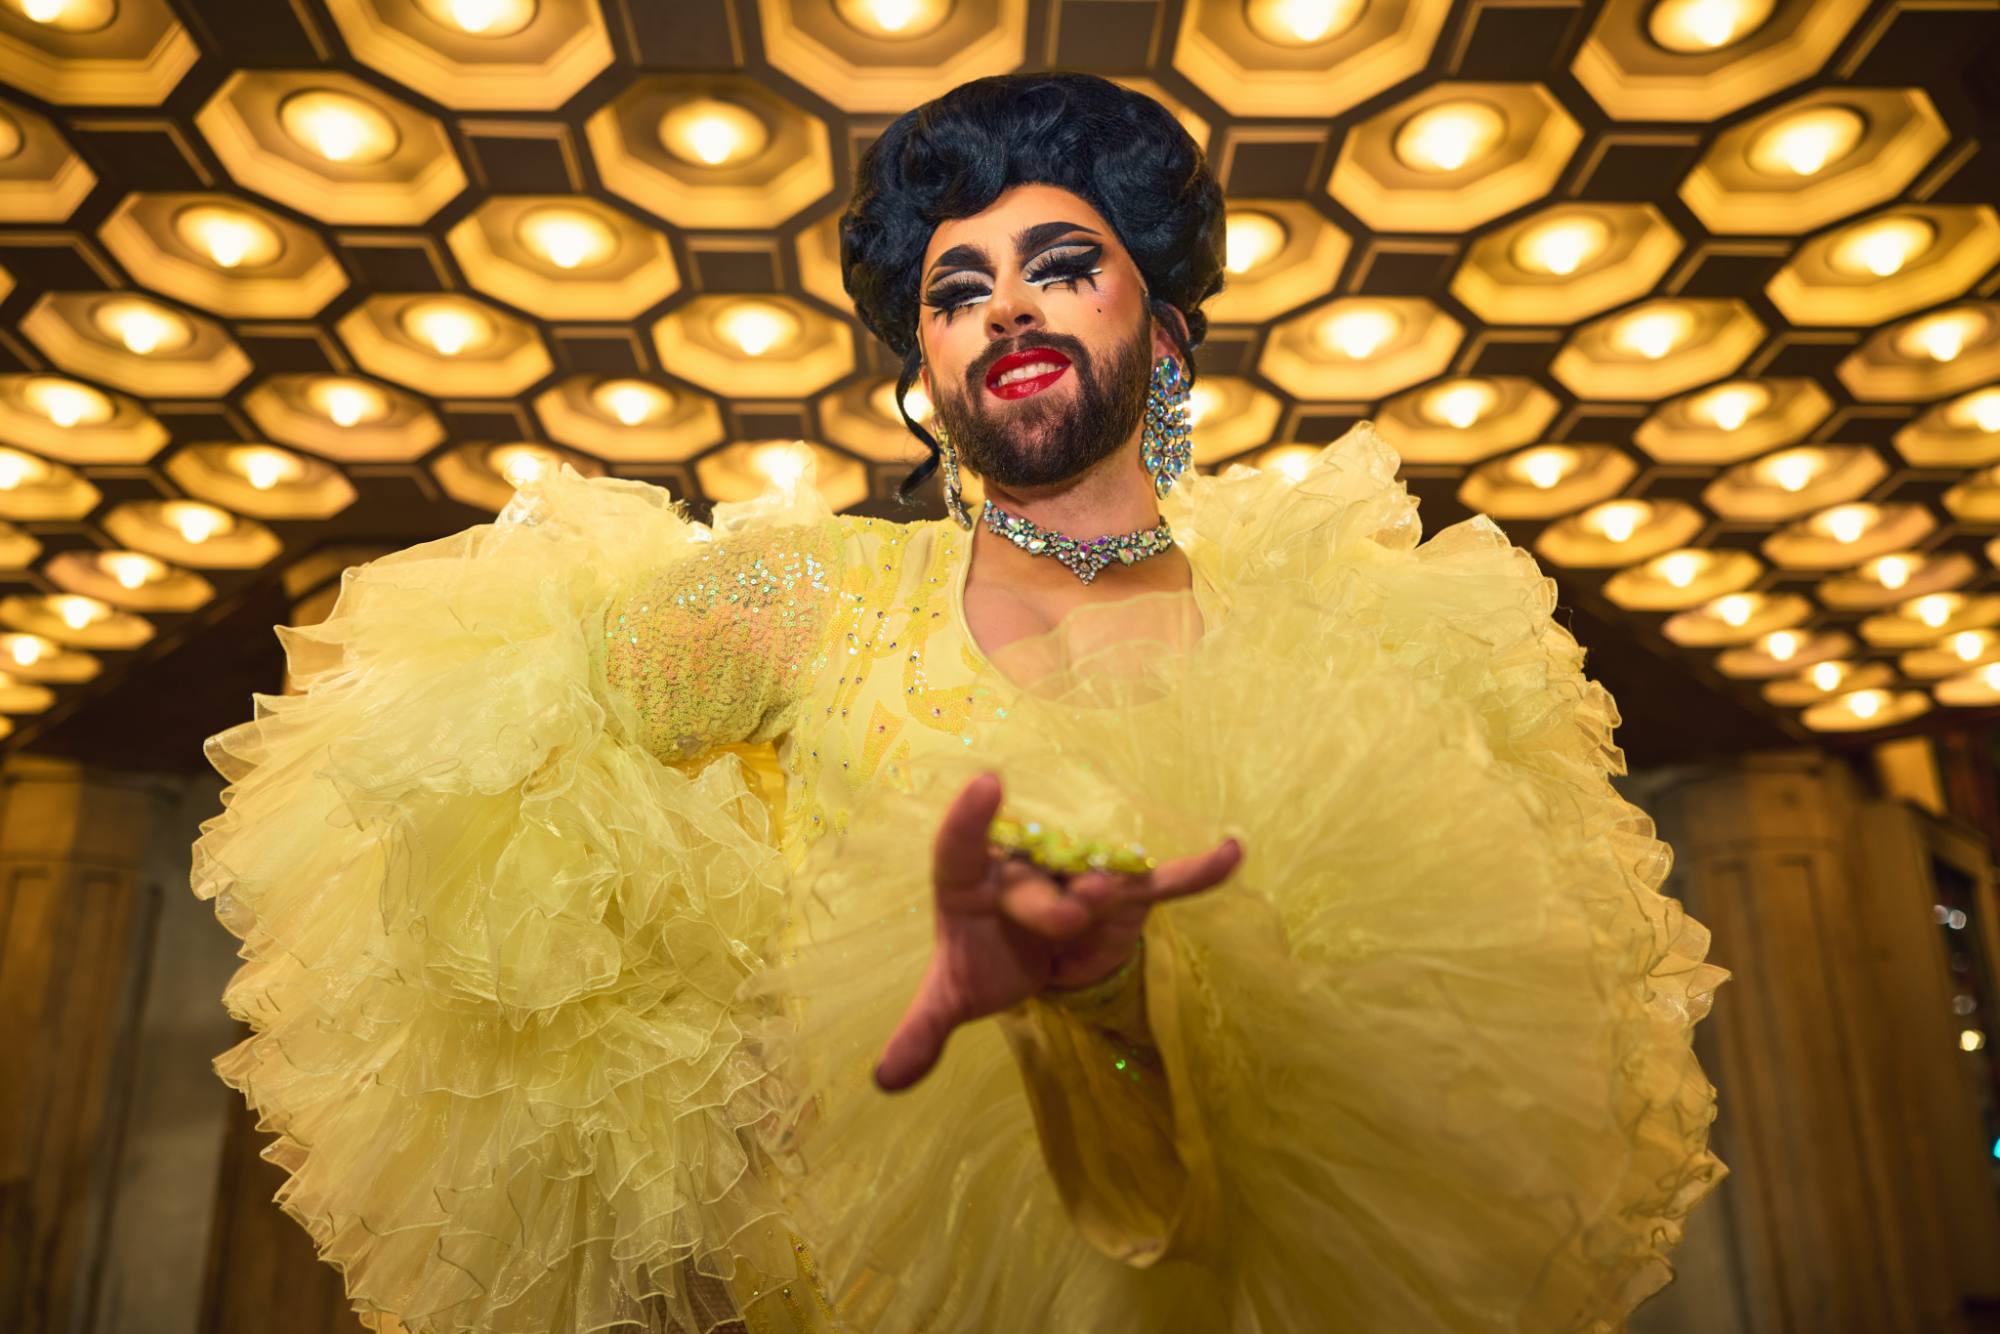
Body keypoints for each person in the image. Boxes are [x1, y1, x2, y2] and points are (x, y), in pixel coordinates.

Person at [192, 72, 1728, 1334]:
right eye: (958, 289)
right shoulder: (805, 606)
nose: (1009, 308)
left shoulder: (1341, 642)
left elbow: (1451, 1079)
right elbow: (462, 742)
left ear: (1167, 336)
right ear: (925, 374)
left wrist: (1126, 1006)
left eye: (1064, 264)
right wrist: (734, 1077)